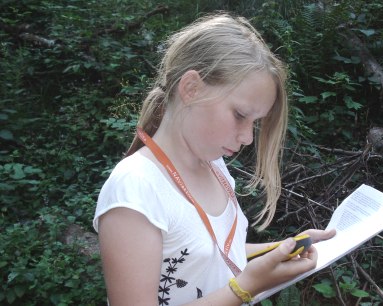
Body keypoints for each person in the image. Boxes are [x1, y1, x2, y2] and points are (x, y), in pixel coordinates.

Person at [93, 13, 336, 306]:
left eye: (255, 123)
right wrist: (244, 288)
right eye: (240, 116)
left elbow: (206, 253)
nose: (248, 137)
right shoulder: (135, 189)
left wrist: (281, 249)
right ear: (191, 88)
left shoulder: (215, 167)